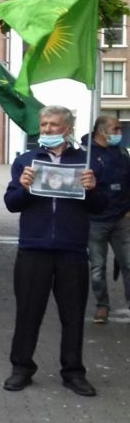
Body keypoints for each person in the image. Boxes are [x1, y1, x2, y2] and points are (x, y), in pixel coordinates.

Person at [3, 105, 103, 397]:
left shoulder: (85, 162)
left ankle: (73, 372)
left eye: (53, 125)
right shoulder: (26, 160)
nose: (46, 129)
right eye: (43, 124)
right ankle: (21, 368)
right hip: (34, 248)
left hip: (72, 250)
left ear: (67, 129)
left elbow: (100, 208)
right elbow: (11, 203)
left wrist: (93, 188)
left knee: (73, 315)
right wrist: (22, 188)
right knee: (28, 313)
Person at [85, 116, 130, 324]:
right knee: (97, 266)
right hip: (96, 220)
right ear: (101, 131)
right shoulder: (86, 155)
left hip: (122, 218)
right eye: (116, 128)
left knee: (128, 263)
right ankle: (102, 305)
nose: (119, 133)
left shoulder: (122, 153)